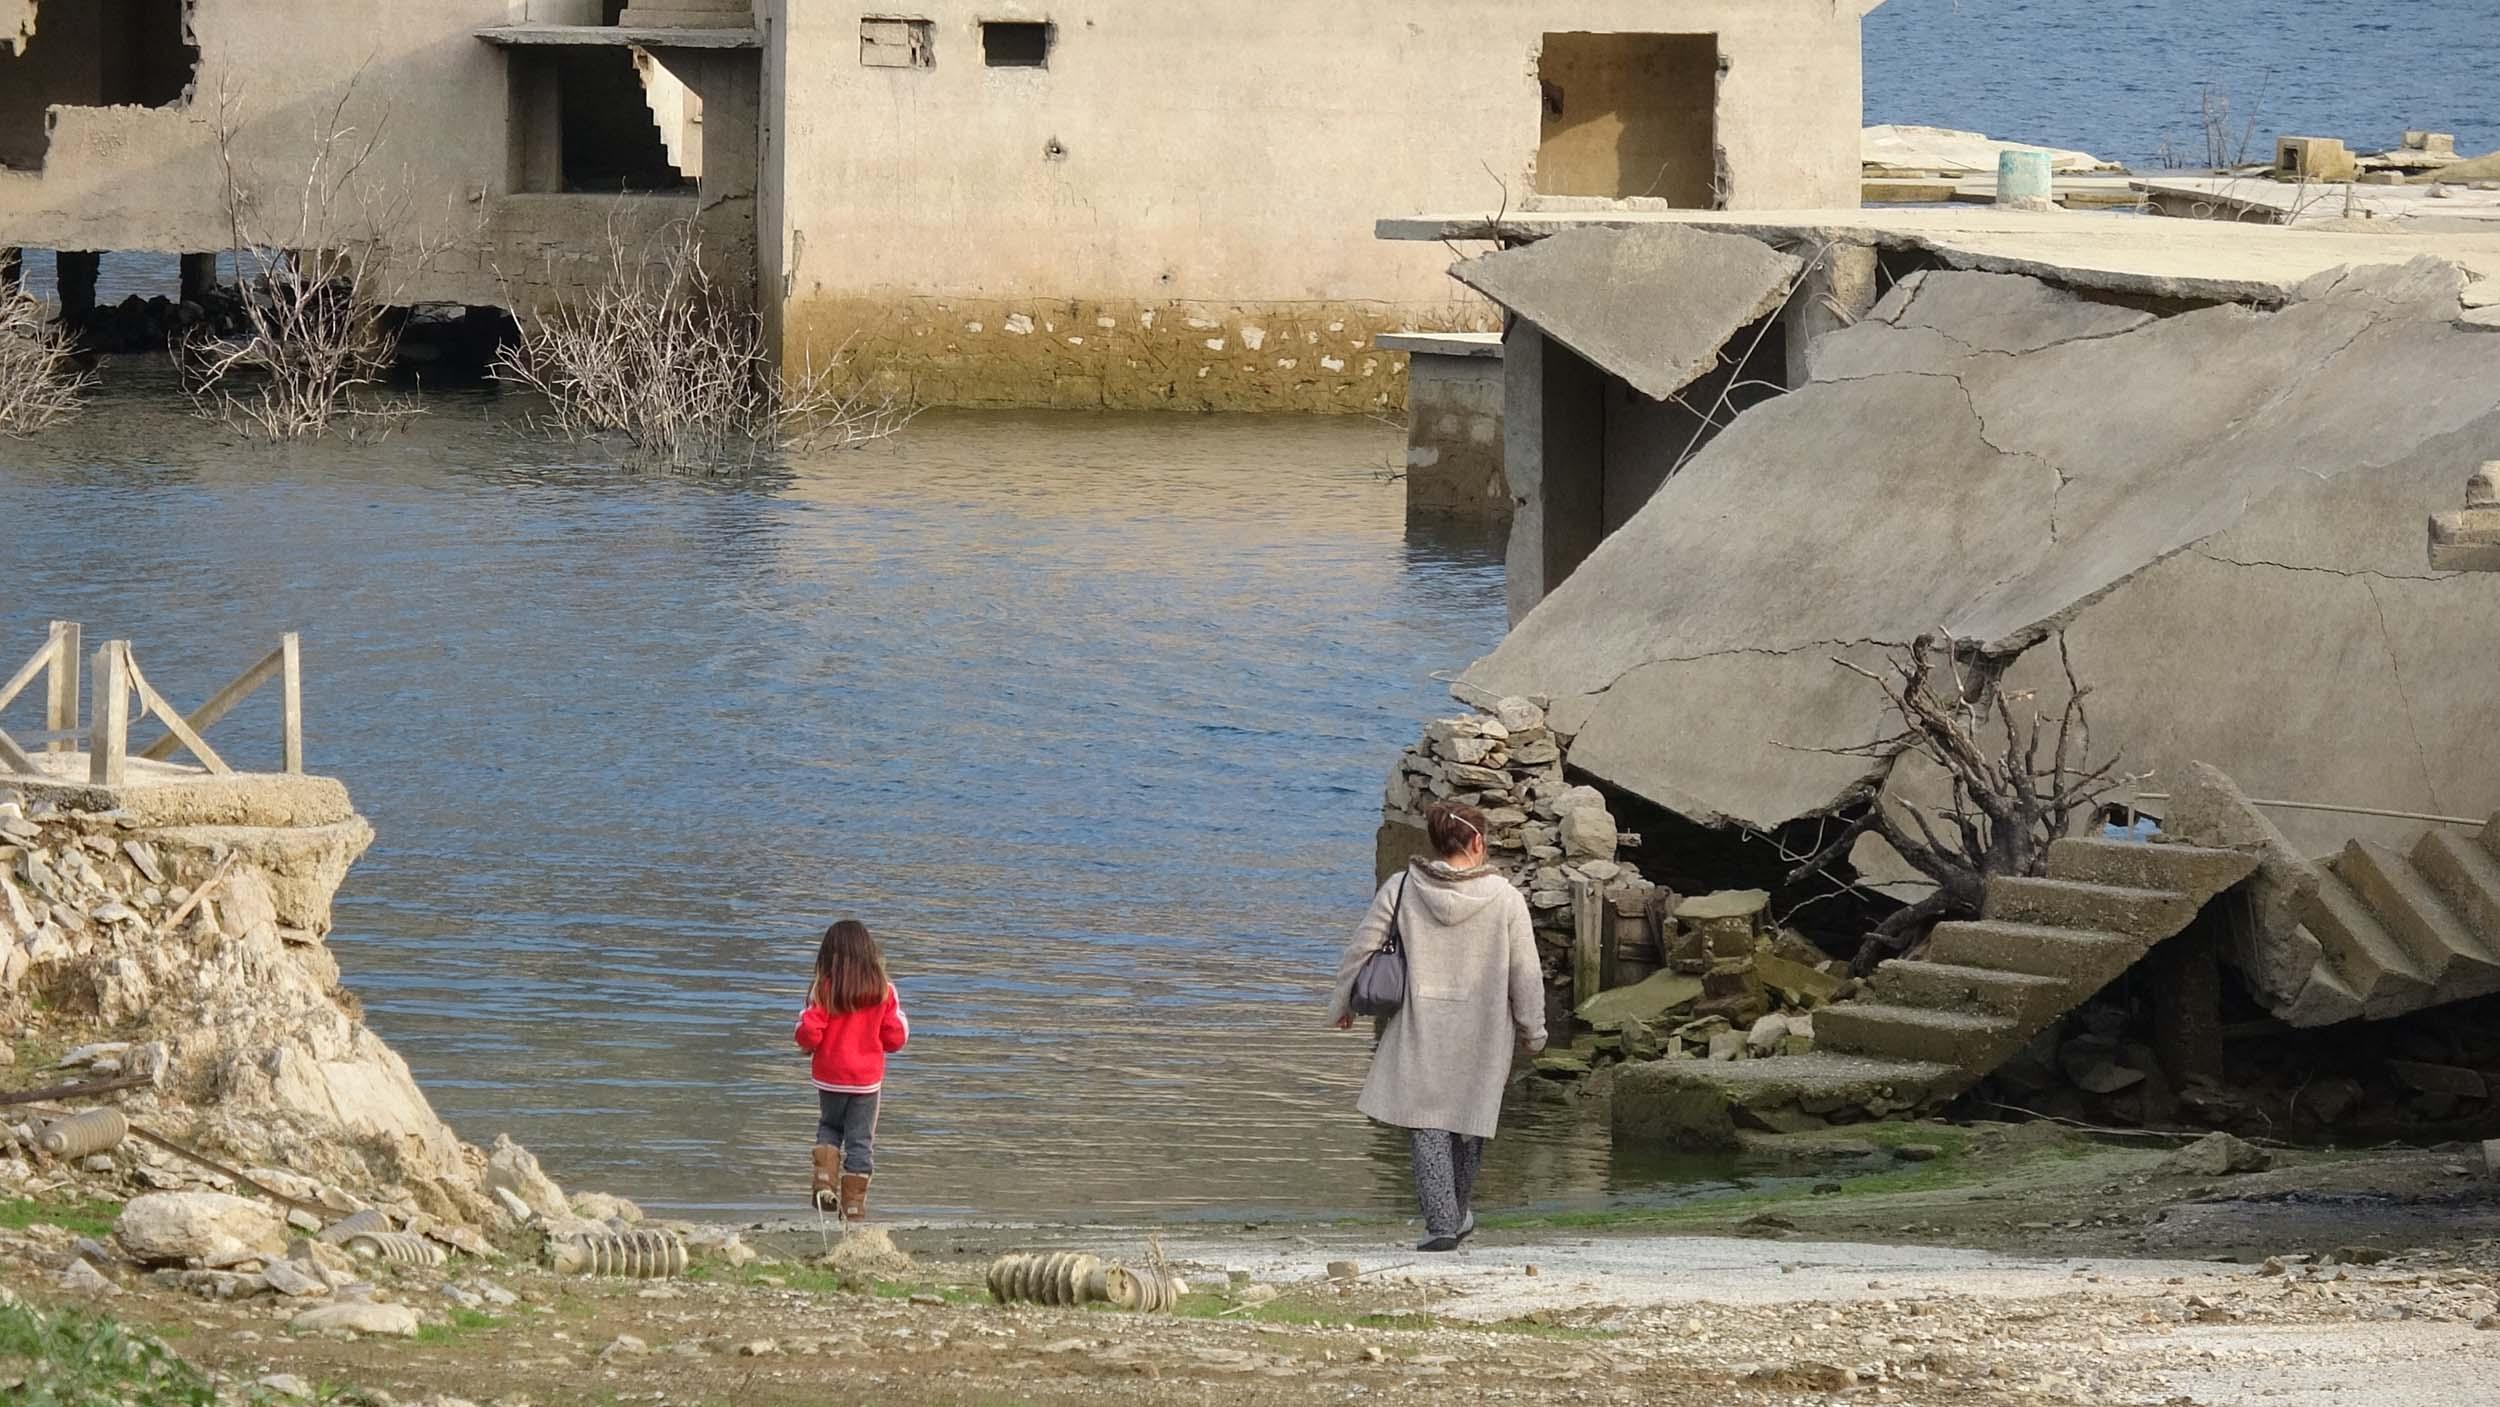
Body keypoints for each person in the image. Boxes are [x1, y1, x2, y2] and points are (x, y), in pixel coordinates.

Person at [1327, 801, 1545, 1251]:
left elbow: (1362, 947)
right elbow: (1526, 972)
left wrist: (1343, 1002)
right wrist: (1533, 1030)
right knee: (1470, 1120)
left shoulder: (1403, 886)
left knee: (1426, 1121)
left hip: (1422, 1020)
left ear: (1437, 842)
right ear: (1478, 842)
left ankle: (1445, 1223)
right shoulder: (1505, 899)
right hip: (1484, 1025)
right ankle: (1452, 1218)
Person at [794, 919, 909, 1222]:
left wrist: (809, 1035)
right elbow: (896, 1037)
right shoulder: (883, 990)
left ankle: (823, 1179)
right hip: (866, 1081)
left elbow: (807, 1033)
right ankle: (854, 1208)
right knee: (860, 1140)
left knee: (830, 1126)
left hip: (830, 1075)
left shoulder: (823, 989)